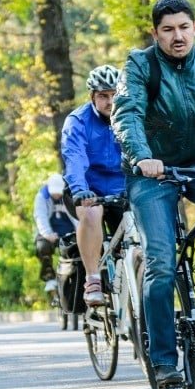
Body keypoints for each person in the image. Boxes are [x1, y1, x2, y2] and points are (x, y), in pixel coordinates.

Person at [112, 0, 195, 388]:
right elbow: (127, 114)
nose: (177, 36)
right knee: (162, 262)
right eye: (168, 30)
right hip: (152, 173)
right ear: (156, 33)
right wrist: (144, 157)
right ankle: (164, 360)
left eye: (184, 27)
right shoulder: (140, 64)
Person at [61, 64, 125, 306]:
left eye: (114, 94)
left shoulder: (130, 117)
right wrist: (80, 189)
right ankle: (93, 279)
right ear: (92, 97)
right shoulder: (78, 121)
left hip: (122, 189)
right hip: (88, 188)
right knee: (91, 211)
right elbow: (74, 158)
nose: (110, 101)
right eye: (103, 96)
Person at [33, 173, 77, 293]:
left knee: (78, 250)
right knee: (42, 247)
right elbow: (40, 216)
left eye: (59, 192)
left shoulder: (69, 195)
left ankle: (74, 279)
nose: (57, 195)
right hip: (49, 233)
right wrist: (47, 234)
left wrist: (80, 232)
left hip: (69, 232)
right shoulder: (42, 196)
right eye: (54, 192)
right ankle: (49, 278)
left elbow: (76, 216)